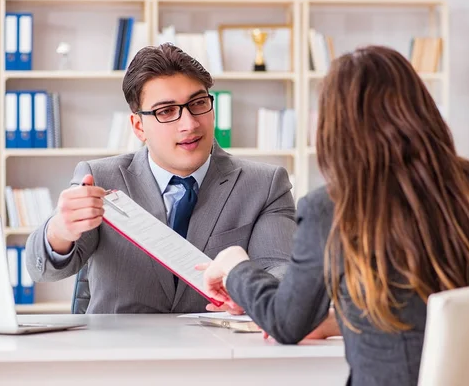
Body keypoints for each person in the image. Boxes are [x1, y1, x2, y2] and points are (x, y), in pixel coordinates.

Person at [197, 45, 469, 386]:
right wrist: (340, 318)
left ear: (336, 127)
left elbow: (286, 322)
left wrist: (236, 263)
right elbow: (446, 308)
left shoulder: (331, 207)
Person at [24, 43, 296, 314]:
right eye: (166, 111)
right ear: (139, 126)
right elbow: (41, 270)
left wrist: (249, 291)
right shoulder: (100, 179)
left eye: (198, 103)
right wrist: (59, 230)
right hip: (120, 350)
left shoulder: (265, 184)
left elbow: (281, 271)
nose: (189, 124)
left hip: (217, 349)